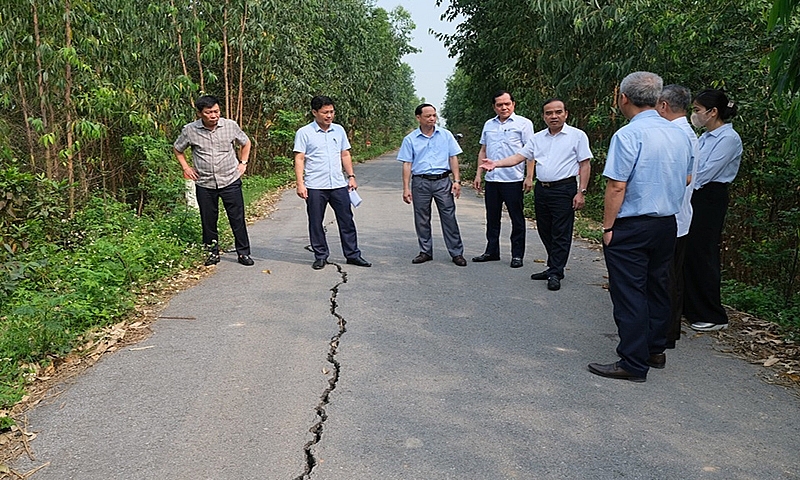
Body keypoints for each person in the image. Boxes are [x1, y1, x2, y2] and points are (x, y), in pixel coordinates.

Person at [588, 72, 693, 382]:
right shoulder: (679, 134)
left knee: (630, 292)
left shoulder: (628, 135)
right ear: (657, 98)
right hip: (666, 224)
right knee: (657, 286)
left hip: (633, 225)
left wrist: (608, 227)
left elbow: (616, 186)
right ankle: (654, 349)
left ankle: (632, 363)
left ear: (623, 98)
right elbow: (687, 177)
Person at [480, 98, 593, 291]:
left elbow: (585, 164)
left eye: (558, 112)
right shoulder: (538, 138)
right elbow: (519, 157)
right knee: (544, 229)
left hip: (564, 189)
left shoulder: (577, 135)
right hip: (543, 189)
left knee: (561, 232)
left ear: (566, 114)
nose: (553, 116)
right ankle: (554, 265)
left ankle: (555, 271)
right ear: (544, 116)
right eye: (549, 113)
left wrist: (581, 192)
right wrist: (496, 163)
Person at [683, 89, 742, 331]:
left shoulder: (728, 139)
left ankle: (713, 314)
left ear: (713, 112)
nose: (694, 115)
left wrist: (684, 181)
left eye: (697, 110)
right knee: (689, 250)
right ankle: (691, 307)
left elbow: (704, 173)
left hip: (710, 197)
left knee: (703, 252)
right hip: (695, 195)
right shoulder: (705, 136)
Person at [174, 95, 254, 267]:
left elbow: (246, 143)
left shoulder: (230, 126)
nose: (213, 115)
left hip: (230, 179)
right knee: (208, 220)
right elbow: (178, 149)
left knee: (237, 218)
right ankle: (212, 252)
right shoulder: (190, 130)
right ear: (200, 113)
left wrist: (243, 163)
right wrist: (186, 168)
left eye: (216, 111)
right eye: (209, 112)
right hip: (205, 182)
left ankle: (243, 253)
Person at [293, 95, 371, 270]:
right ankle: (320, 256)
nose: (329, 116)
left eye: (332, 112)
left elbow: (345, 154)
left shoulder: (339, 130)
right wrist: (300, 183)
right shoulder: (304, 133)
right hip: (315, 185)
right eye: (325, 112)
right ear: (314, 112)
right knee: (316, 221)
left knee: (347, 220)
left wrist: (351, 176)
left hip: (338, 184)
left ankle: (352, 254)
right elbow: (299, 158)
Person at [655, 84, 699, 350]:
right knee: (672, 277)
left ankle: (665, 333)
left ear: (663, 105)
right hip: (679, 216)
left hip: (672, 217)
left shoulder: (676, 135)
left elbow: (683, 178)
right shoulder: (687, 134)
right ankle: (668, 332)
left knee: (666, 279)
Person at [398, 103, 467, 266]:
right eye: (428, 116)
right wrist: (406, 188)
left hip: (443, 181)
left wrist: (456, 181)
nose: (432, 118)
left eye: (434, 115)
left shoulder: (446, 135)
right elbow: (407, 164)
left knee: (449, 216)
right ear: (418, 118)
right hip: (420, 182)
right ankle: (425, 251)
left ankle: (457, 253)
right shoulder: (410, 139)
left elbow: (453, 158)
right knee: (422, 218)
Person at [471, 91, 534, 268]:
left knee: (517, 219)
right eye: (500, 105)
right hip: (492, 179)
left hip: (513, 179)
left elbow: (530, 153)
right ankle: (491, 251)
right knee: (492, 217)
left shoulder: (523, 124)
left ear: (513, 104)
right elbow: (483, 150)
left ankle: (517, 255)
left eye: (507, 103)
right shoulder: (489, 125)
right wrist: (479, 173)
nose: (504, 107)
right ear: (494, 107)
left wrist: (529, 177)